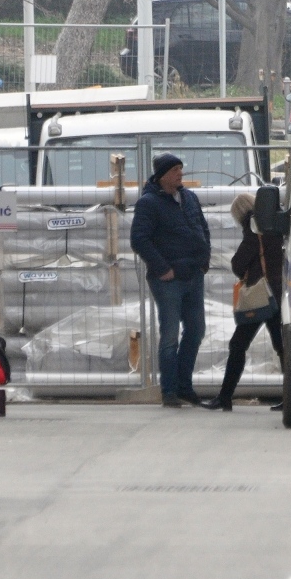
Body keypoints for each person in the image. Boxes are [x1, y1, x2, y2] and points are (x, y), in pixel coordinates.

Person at [130, 152, 210, 408]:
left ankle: (185, 386)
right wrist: (163, 268)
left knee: (196, 330)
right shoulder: (149, 203)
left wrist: (204, 258)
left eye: (181, 169)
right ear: (163, 175)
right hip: (169, 280)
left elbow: (202, 228)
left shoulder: (189, 198)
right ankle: (170, 391)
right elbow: (139, 239)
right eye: (175, 170)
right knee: (170, 336)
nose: (180, 174)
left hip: (193, 275)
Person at [201, 193, 284, 412]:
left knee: (237, 345)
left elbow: (238, 265)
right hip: (278, 293)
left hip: (260, 296)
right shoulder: (275, 225)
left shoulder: (254, 229)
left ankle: (224, 397)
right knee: (282, 346)